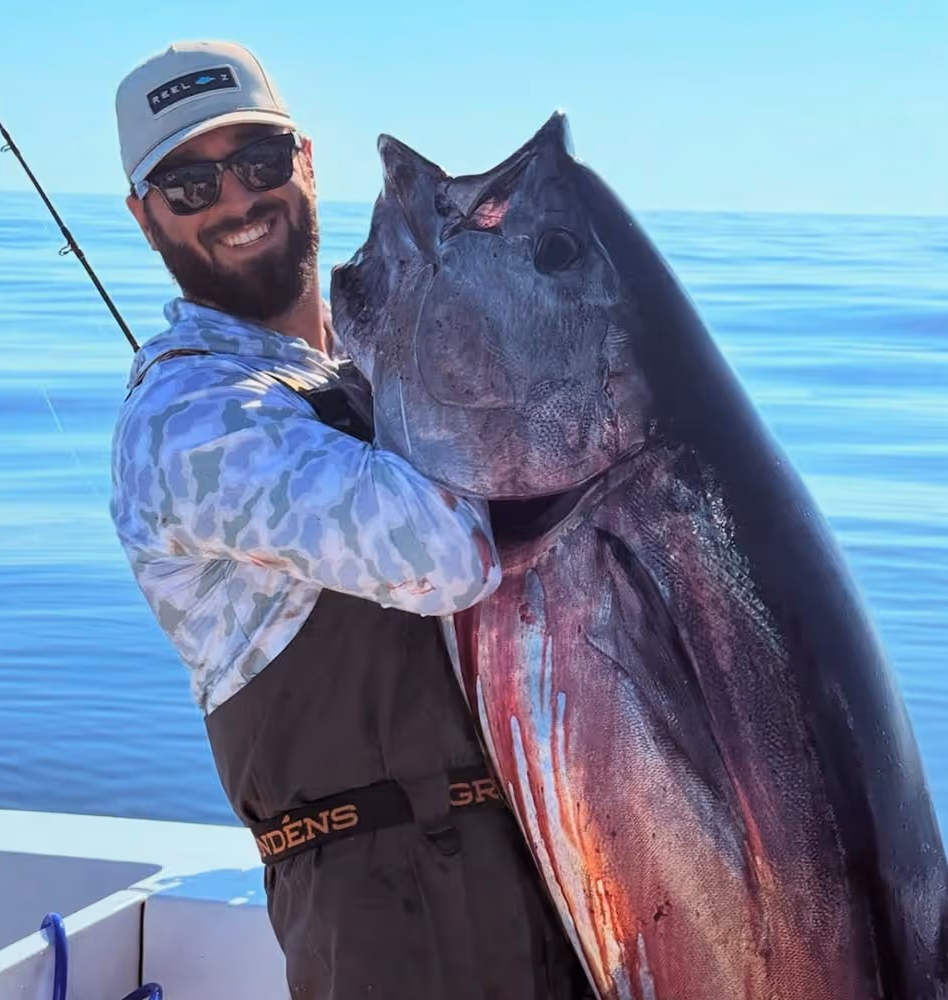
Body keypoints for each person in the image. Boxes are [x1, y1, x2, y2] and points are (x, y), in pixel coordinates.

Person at [111, 39, 590, 999]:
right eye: (189, 185)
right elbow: (446, 554)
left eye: (259, 161)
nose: (236, 201)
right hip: (392, 920)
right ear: (145, 215)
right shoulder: (188, 421)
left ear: (305, 160)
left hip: (553, 866)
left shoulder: (362, 375)